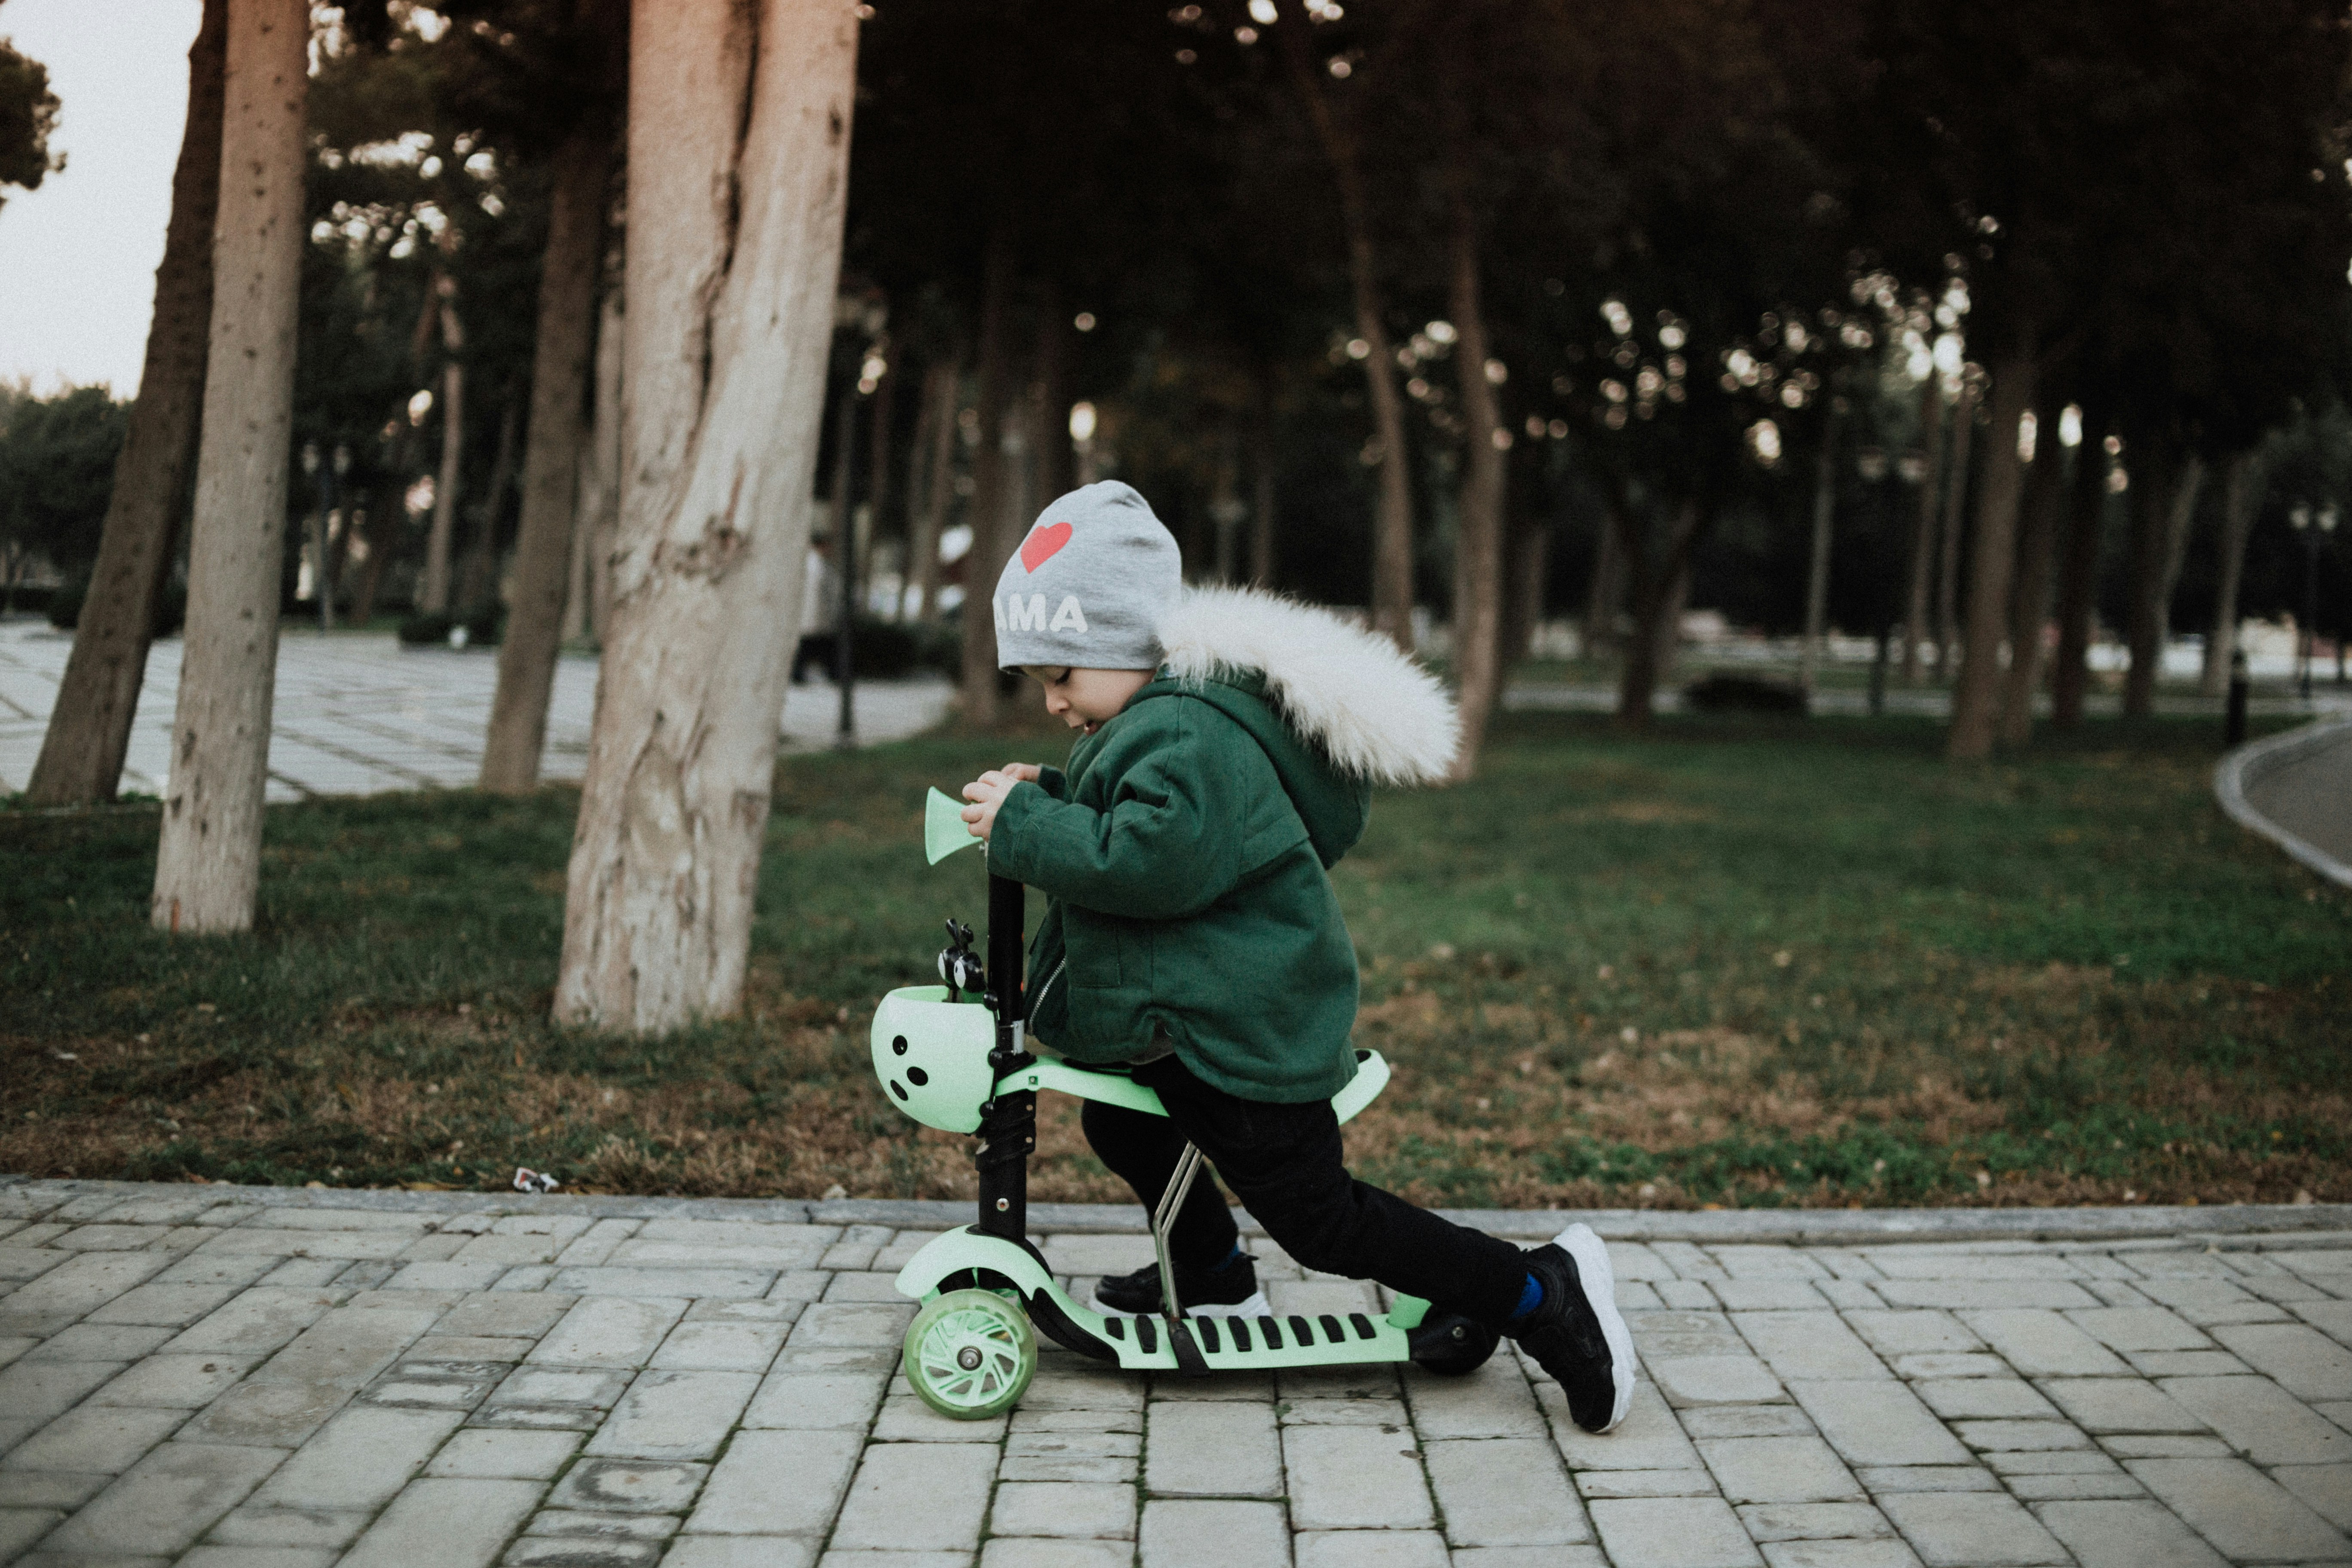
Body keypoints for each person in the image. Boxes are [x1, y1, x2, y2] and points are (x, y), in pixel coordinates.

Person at [957, 480, 1636, 1433]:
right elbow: (1156, 819)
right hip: (1199, 1013)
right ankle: (1212, 1274)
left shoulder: (1185, 728)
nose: (1054, 700)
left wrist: (1028, 825)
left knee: (1322, 1221)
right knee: (1126, 1124)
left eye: (1061, 673)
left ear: (1125, 640)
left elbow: (1153, 861)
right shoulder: (1165, 721)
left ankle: (1539, 1293)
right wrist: (1062, 795)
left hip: (1244, 1024)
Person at [792, 535, 839, 685]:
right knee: (812, 646)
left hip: (815, 616)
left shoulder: (817, 563)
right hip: (815, 615)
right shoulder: (815, 565)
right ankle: (832, 674)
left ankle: (800, 674)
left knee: (812, 646)